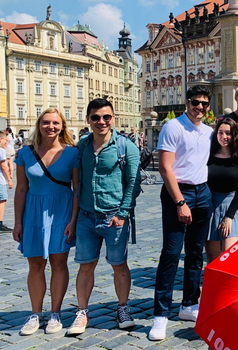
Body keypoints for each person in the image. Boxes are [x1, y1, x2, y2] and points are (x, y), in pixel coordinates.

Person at [68, 98, 140, 336]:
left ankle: (123, 308)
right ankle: (82, 312)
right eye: (96, 117)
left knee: (119, 265)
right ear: (88, 119)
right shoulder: (82, 146)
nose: (101, 122)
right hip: (87, 217)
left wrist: (122, 213)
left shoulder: (125, 146)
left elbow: (134, 182)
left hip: (114, 217)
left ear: (113, 119)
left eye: (106, 117)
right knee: (85, 266)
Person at [151, 86, 214, 341]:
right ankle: (160, 315)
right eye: (196, 102)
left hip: (202, 193)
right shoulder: (173, 127)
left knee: (196, 253)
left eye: (204, 104)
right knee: (171, 253)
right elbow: (165, 169)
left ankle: (189, 304)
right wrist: (179, 202)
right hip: (179, 193)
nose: (200, 107)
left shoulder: (209, 131)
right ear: (187, 102)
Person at [13, 109, 79, 335]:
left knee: (59, 263)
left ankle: (55, 313)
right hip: (33, 212)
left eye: (55, 123)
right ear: (38, 124)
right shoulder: (24, 152)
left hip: (62, 211)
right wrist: (18, 222)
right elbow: (21, 189)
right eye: (46, 122)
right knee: (35, 265)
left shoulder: (72, 154)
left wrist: (73, 220)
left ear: (62, 126)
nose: (51, 126)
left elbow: (77, 190)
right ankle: (35, 314)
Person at [205, 118, 238, 262]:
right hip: (211, 205)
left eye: (228, 133)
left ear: (235, 135)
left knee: (230, 254)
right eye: (220, 133)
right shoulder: (208, 155)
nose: (224, 137)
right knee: (213, 256)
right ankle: (215, 284)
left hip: (233, 205)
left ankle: (231, 285)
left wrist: (229, 216)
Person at [0, 132, 13, 232]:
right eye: (6, 140)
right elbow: (3, 165)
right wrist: (9, 179)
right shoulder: (1, 150)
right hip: (0, 180)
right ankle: (0, 223)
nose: (7, 143)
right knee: (2, 200)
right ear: (1, 139)